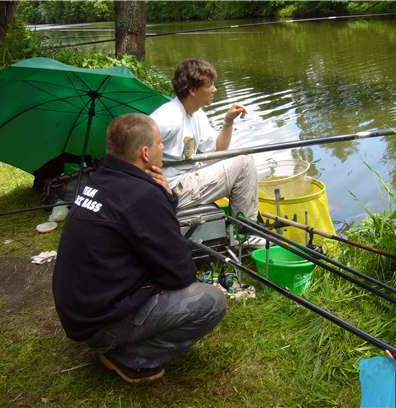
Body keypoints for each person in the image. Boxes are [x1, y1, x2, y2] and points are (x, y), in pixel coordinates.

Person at [52, 113, 226, 383]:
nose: (163, 149)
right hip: (99, 322)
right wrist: (160, 198)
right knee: (210, 302)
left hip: (79, 313)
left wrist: (166, 198)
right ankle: (132, 358)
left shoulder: (99, 180)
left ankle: (115, 341)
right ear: (145, 153)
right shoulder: (141, 194)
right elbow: (180, 274)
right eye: (159, 144)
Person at [150, 58, 259, 222]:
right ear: (193, 90)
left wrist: (228, 121)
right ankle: (245, 234)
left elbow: (217, 151)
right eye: (210, 85)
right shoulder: (168, 118)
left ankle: (240, 223)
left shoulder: (196, 113)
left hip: (187, 175)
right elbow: (136, 151)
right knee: (244, 163)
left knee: (239, 154)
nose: (215, 89)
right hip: (173, 189)